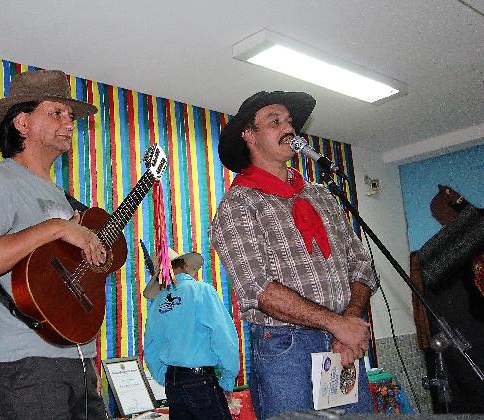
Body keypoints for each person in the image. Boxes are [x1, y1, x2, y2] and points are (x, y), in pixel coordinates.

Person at [209, 91, 378, 418]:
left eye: (290, 122)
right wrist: (337, 324)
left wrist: (349, 322)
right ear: (250, 136)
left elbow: (361, 265)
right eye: (275, 121)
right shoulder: (238, 205)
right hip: (286, 347)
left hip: (342, 342)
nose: (289, 128)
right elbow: (259, 290)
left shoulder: (322, 196)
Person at [0, 69, 108, 419]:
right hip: (25, 368)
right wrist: (55, 228)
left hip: (79, 365)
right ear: (22, 123)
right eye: (57, 112)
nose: (69, 122)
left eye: (71, 115)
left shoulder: (63, 198)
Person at [143, 248, 239, 420]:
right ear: (186, 266)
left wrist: (166, 378)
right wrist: (227, 379)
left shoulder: (157, 303)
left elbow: (150, 349)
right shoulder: (202, 291)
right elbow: (224, 338)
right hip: (200, 382)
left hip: (173, 385)